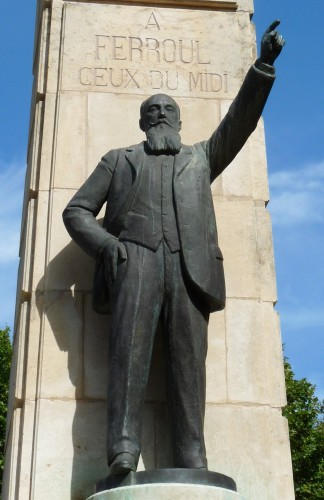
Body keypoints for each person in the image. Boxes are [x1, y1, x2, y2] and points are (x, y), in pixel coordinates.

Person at [63, 21, 285, 475]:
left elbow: (239, 122)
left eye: (168, 109)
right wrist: (106, 245)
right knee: (128, 357)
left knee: (190, 365)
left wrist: (262, 65)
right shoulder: (118, 160)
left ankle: (191, 453)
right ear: (143, 122)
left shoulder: (200, 157)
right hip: (135, 260)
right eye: (153, 110)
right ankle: (123, 448)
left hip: (189, 269)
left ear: (179, 122)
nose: (161, 114)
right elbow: (76, 211)